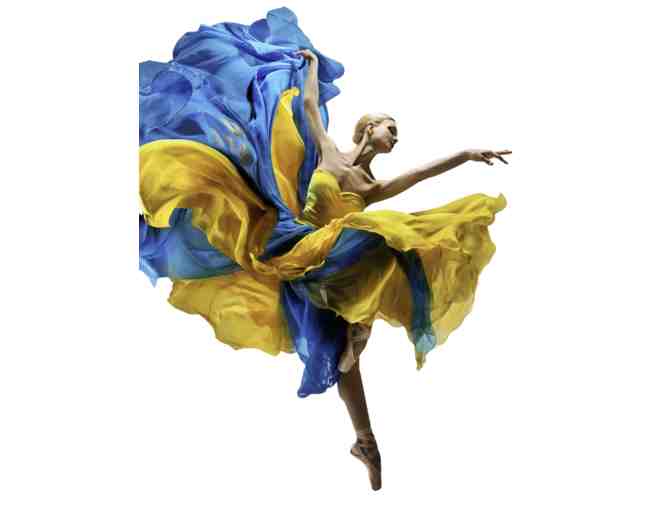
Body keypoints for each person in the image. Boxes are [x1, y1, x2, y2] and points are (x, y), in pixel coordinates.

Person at [139, 7, 508, 491]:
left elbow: (421, 174)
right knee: (379, 234)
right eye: (390, 127)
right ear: (368, 128)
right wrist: (310, 64)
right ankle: (357, 335)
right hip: (293, 243)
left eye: (397, 133)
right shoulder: (330, 155)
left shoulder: (373, 187)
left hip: (328, 266)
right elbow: (310, 108)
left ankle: (365, 440)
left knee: (344, 352)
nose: (395, 136)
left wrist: (466, 155)